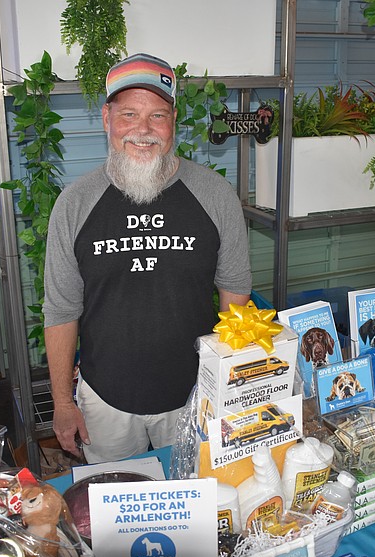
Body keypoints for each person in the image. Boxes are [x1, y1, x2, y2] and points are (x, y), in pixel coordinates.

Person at [43, 53, 251, 463]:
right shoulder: (75, 204)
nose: (143, 130)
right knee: (116, 515)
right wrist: (64, 404)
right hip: (105, 401)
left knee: (197, 507)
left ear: (174, 120)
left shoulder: (215, 195)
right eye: (129, 114)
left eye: (157, 116)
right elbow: (61, 310)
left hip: (193, 395)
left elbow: (236, 291)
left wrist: (227, 387)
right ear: (107, 118)